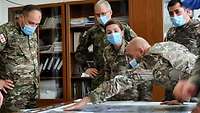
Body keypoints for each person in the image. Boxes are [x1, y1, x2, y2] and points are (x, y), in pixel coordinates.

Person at [65, 37, 197, 110]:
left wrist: (88, 99)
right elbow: (120, 82)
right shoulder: (157, 56)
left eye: (130, 55)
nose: (130, 59)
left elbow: (190, 63)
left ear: (140, 51)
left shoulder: (156, 55)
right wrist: (181, 99)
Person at [75, 0, 137, 90]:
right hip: (101, 76)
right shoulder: (92, 32)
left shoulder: (122, 28)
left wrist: (132, 65)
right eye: (98, 15)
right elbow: (80, 52)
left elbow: (137, 46)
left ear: (110, 12)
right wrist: (86, 68)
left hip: (122, 73)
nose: (101, 17)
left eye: (103, 14)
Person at [0, 5, 42, 112]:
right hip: (12, 95)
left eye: (37, 24)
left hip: (31, 93)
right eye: (31, 23)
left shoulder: (32, 34)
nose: (33, 27)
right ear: (21, 17)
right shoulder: (5, 31)